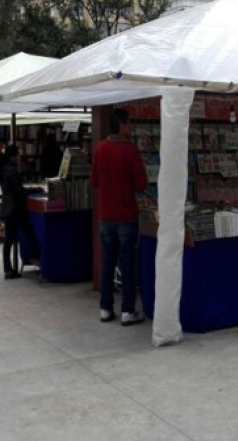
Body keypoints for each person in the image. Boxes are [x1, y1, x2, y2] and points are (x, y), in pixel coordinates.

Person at [91, 108, 148, 325]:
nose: (130, 127)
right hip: (126, 215)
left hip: (106, 216)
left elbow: (95, 180)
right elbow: (141, 183)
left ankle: (105, 308)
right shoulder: (130, 150)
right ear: (122, 125)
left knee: (108, 263)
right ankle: (127, 310)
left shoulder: (100, 149)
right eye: (129, 124)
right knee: (127, 264)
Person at [0, 144, 41, 280]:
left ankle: (8, 268)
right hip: (16, 210)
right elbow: (19, 192)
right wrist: (36, 190)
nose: (20, 158)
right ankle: (39, 258)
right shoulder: (13, 172)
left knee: (8, 240)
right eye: (18, 155)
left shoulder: (5, 171)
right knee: (29, 234)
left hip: (8, 208)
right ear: (13, 157)